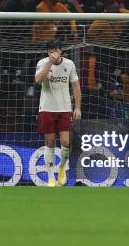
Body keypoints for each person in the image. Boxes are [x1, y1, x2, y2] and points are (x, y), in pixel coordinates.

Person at [34, 40, 81, 187]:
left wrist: (77, 108)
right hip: (47, 108)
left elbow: (75, 86)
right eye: (50, 51)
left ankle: (61, 168)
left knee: (66, 142)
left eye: (55, 50)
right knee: (50, 143)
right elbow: (37, 80)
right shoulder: (42, 63)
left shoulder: (69, 64)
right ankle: (50, 177)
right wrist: (49, 64)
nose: (52, 53)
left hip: (64, 108)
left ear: (61, 50)